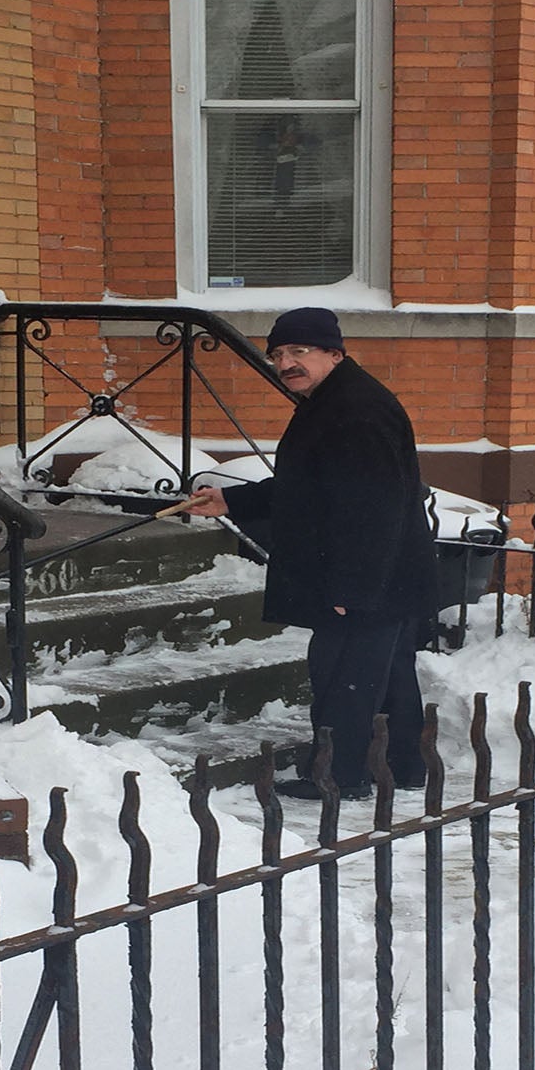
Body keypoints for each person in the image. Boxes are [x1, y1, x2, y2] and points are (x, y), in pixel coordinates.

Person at [188, 307, 439, 799]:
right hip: (384, 576)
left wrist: (352, 587)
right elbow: (312, 484)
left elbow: (374, 507)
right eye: (279, 354)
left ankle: (339, 778)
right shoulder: (335, 401)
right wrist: (232, 499)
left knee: (343, 675)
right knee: (385, 677)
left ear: (333, 353)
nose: (286, 363)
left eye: (299, 352)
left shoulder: (356, 409)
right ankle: (402, 766)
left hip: (363, 578)